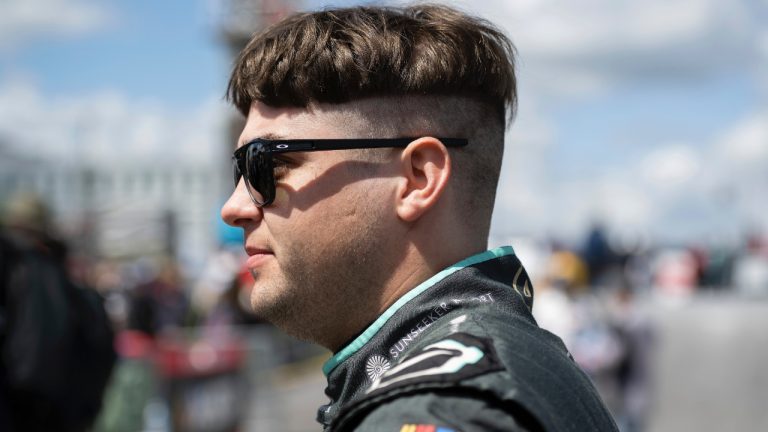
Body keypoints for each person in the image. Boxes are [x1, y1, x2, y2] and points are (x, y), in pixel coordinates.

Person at [221, 4, 618, 431]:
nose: (234, 208)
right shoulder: (526, 358)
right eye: (239, 171)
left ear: (417, 179)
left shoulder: (431, 410)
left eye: (267, 166)